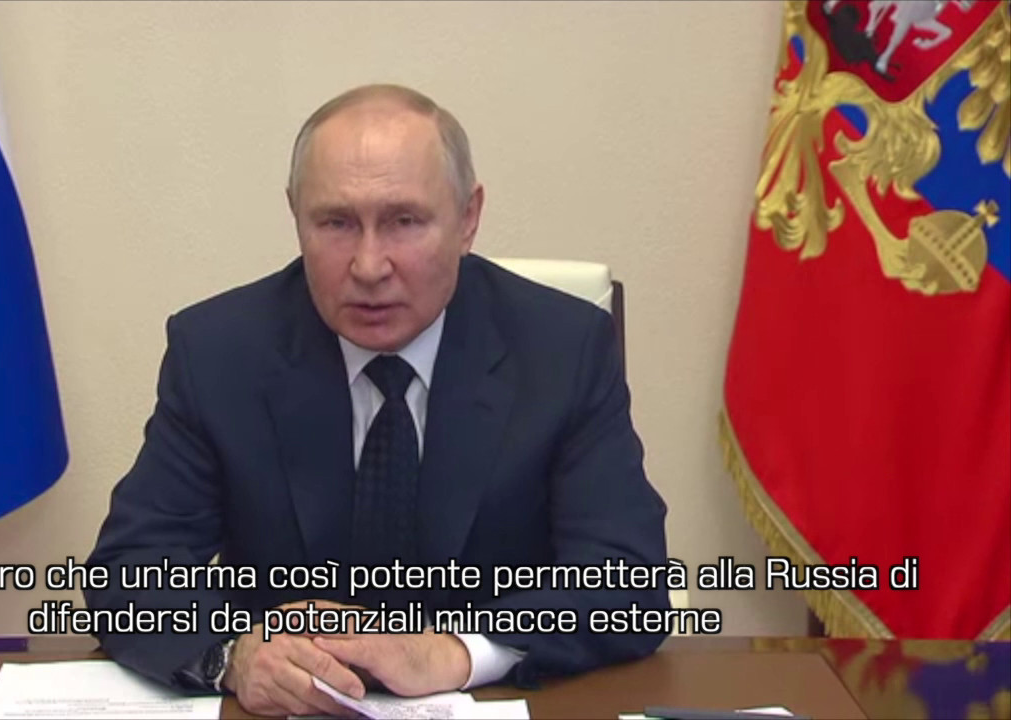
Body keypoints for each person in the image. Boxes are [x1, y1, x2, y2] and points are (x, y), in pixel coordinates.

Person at [85, 83, 670, 717]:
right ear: (296, 216)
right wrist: (234, 655)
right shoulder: (218, 352)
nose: (368, 266)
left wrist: (458, 652)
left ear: (468, 218)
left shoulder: (563, 349)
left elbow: (626, 578)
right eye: (336, 223)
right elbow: (130, 568)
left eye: (404, 221)